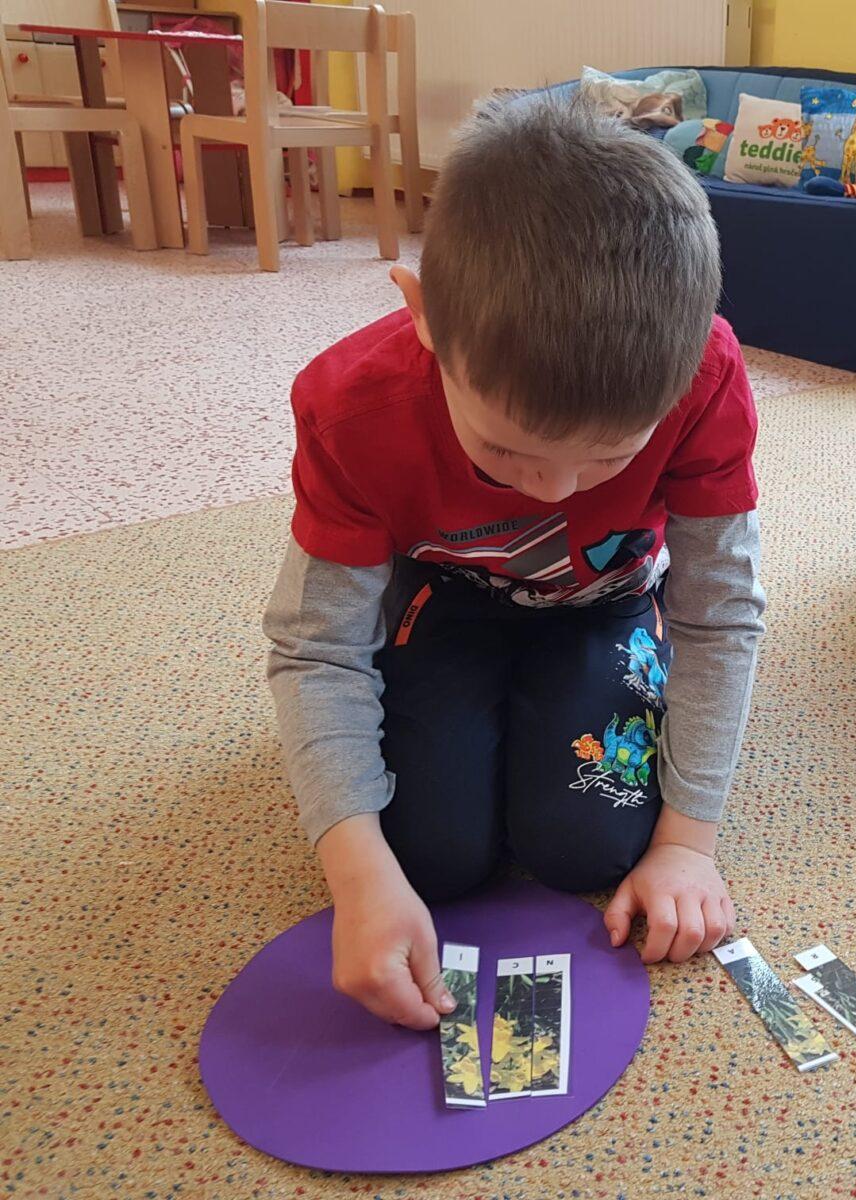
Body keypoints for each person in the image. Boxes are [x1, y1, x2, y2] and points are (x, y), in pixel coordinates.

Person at [264, 98, 764, 1030]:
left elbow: (720, 612)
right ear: (422, 317)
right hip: (443, 602)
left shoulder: (707, 379)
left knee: (591, 847)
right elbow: (318, 648)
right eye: (505, 451)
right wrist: (358, 874)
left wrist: (690, 844)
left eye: (609, 457)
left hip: (603, 604)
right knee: (426, 859)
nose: (554, 491)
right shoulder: (351, 411)